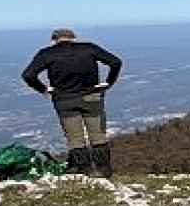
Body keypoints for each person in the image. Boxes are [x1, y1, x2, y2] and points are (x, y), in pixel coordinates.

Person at [20, 28, 122, 178]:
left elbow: (28, 75)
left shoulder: (47, 53)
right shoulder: (89, 48)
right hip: (91, 97)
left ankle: (86, 171)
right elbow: (115, 62)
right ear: (73, 38)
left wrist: (44, 90)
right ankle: (104, 170)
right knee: (98, 135)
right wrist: (108, 83)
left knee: (75, 138)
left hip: (64, 100)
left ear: (54, 40)